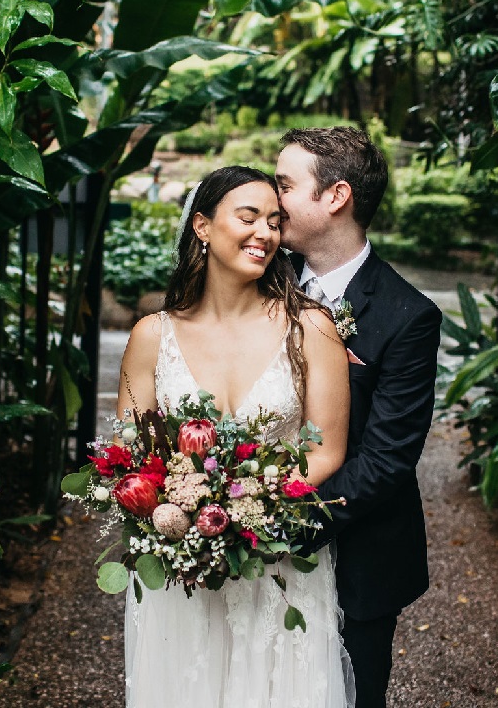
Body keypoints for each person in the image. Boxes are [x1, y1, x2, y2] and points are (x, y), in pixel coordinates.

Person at [116, 165, 356, 708]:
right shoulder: (151, 337)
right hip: (183, 566)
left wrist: (242, 510)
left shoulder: (310, 327)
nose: (265, 234)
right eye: (248, 218)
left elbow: (328, 449)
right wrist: (180, 515)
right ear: (202, 226)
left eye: (275, 221)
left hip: (277, 561)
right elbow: (131, 455)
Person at [276, 127, 442, 708]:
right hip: (245, 546)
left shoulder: (407, 316)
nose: (273, 201)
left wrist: (280, 526)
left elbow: (387, 459)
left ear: (336, 196)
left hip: (358, 555)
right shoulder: (255, 280)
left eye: (285, 185)